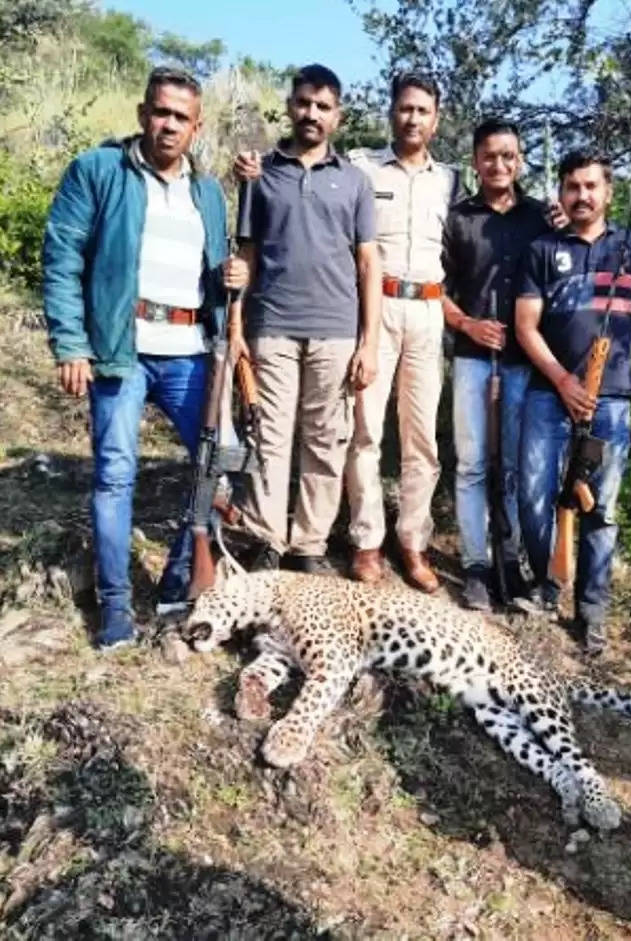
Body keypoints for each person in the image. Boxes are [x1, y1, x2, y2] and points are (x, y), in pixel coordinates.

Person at [42, 67, 248, 649]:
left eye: (181, 117)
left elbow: (217, 279)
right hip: (120, 352)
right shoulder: (98, 171)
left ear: (196, 126)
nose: (169, 125)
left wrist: (234, 276)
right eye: (161, 112)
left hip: (190, 354)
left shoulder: (207, 193)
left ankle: (180, 577)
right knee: (114, 476)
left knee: (222, 466)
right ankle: (114, 608)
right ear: (142, 114)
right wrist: (71, 343)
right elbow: (62, 260)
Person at [515, 150, 631, 656]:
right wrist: (563, 380)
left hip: (611, 400)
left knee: (600, 507)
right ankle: (546, 591)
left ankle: (592, 611)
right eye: (572, 187)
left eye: (591, 186)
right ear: (560, 192)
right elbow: (525, 325)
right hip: (549, 394)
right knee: (533, 494)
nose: (582, 196)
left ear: (607, 192)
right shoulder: (542, 250)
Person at [229, 64, 380, 573]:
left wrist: (369, 342)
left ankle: (309, 545)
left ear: (337, 116)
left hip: (336, 330)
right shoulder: (260, 175)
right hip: (271, 326)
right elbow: (245, 254)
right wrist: (236, 328)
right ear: (290, 106)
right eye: (303, 103)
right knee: (269, 438)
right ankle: (267, 539)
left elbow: (368, 262)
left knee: (326, 440)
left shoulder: (356, 183)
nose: (311, 114)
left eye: (323, 106)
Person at [343, 73, 464, 593]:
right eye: (405, 109)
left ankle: (412, 541)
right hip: (377, 306)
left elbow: (485, 221)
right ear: (392, 112)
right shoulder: (361, 167)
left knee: (422, 437)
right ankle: (367, 540)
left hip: (428, 311)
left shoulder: (452, 180)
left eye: (423, 111)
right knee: (364, 427)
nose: (413, 119)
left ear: (436, 120)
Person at [441, 118, 553, 611]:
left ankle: (510, 560)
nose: (499, 165)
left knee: (511, 469)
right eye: (490, 156)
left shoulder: (541, 218)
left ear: (521, 160)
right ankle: (476, 566)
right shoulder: (458, 218)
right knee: (471, 466)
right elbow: (434, 289)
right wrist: (467, 325)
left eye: (508, 156)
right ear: (475, 161)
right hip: (471, 360)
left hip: (523, 363)